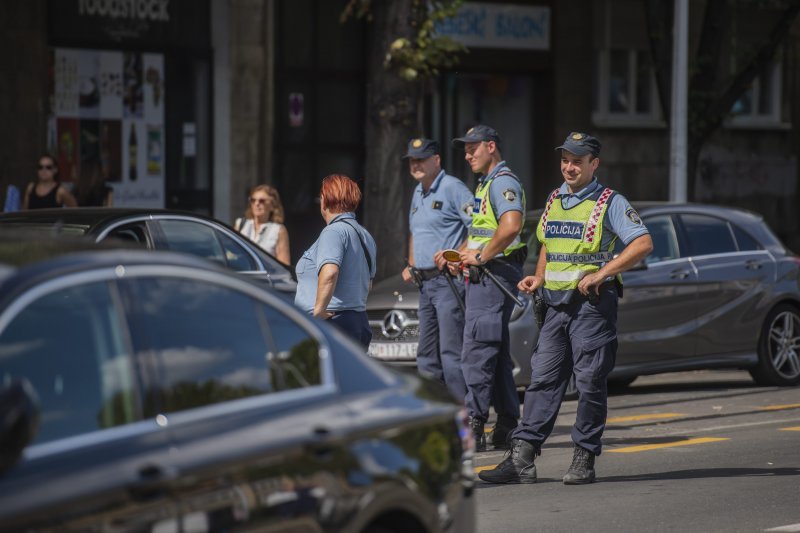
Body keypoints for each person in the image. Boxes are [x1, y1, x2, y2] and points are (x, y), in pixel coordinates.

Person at [478, 132, 653, 486]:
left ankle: (584, 456)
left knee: (589, 383)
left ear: (594, 164)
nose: (569, 167)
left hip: (591, 306)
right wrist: (538, 277)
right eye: (565, 160)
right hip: (555, 307)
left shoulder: (609, 201)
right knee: (542, 382)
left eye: (577, 161)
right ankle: (522, 459)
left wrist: (603, 273)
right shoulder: (555, 198)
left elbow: (643, 243)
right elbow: (546, 244)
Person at [451, 125, 526, 452]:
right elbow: (482, 232)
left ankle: (474, 425)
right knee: (493, 353)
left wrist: (479, 256)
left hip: (494, 275)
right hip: (486, 274)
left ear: (491, 146)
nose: (467, 155)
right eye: (465, 150)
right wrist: (459, 255)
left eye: (472, 149)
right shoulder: (486, 184)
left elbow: (511, 226)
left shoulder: (503, 182)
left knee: (477, 350)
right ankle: (508, 422)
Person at [401, 137, 473, 400]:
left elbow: (477, 228)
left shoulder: (453, 188)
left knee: (451, 354)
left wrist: (457, 255)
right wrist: (410, 263)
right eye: (412, 160)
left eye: (421, 159)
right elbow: (414, 231)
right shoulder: (418, 191)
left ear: (436, 160)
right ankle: (434, 412)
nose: (416, 164)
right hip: (425, 283)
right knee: (426, 356)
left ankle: (465, 418)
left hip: (447, 281)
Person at [294, 174, 376, 348]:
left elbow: (330, 272)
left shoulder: (333, 232)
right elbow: (367, 285)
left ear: (325, 200)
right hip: (357, 321)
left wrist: (318, 312)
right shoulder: (365, 235)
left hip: (333, 324)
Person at [236, 184, 290, 265]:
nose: (257, 204)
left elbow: (284, 265)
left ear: (272, 205)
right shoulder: (240, 224)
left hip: (265, 276)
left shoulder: (278, 230)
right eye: (253, 200)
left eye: (262, 201)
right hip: (240, 275)